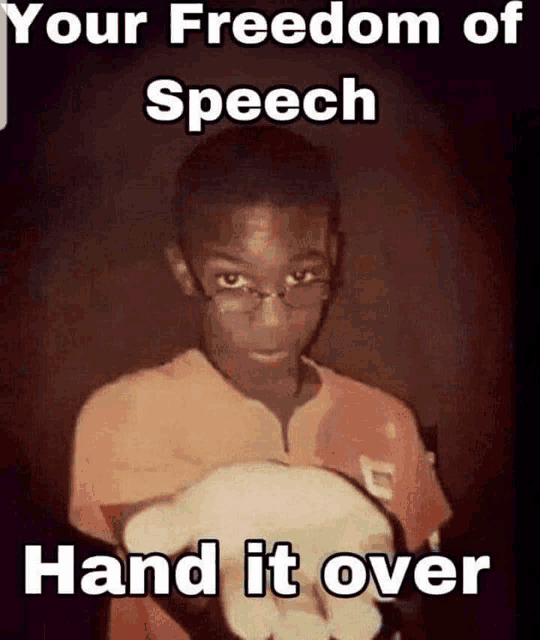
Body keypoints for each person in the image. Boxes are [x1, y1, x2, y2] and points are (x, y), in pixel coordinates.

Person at [69, 125, 452, 639]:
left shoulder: (388, 420)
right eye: (235, 281)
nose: (274, 319)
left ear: (333, 261)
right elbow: (190, 586)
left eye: (301, 277)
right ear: (185, 270)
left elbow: (420, 605)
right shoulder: (126, 411)